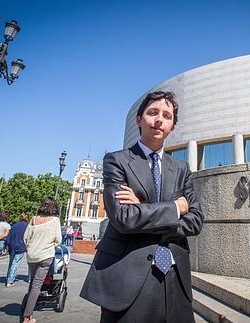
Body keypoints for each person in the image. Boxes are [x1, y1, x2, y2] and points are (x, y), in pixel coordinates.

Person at [80, 91, 204, 322]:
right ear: (139, 119)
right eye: (152, 112)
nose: (159, 119)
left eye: (167, 115)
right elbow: (124, 218)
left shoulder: (181, 168)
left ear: (172, 126)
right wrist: (175, 209)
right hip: (128, 278)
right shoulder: (117, 161)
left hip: (175, 281)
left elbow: (196, 221)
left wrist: (143, 209)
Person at [22, 197, 61, 323]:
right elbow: (58, 240)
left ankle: (27, 310)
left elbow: (25, 238)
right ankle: (27, 317)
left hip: (32, 256)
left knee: (33, 282)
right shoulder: (55, 220)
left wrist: (31, 248)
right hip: (45, 256)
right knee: (37, 285)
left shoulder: (33, 219)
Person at [4, 213, 28, 287]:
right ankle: (10, 281)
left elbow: (9, 236)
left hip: (12, 246)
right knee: (15, 263)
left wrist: (5, 246)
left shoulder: (14, 225)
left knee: (11, 263)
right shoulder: (27, 227)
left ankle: (8, 278)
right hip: (20, 247)